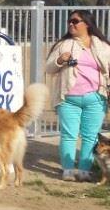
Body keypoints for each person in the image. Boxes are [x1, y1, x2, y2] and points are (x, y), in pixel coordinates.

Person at [45, 10, 110, 182]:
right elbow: (49, 68)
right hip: (68, 98)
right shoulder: (64, 45)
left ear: (87, 24)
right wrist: (60, 60)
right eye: (69, 21)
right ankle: (67, 170)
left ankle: (84, 171)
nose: (71, 24)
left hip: (96, 97)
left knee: (91, 136)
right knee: (69, 135)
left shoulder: (103, 46)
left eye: (75, 21)